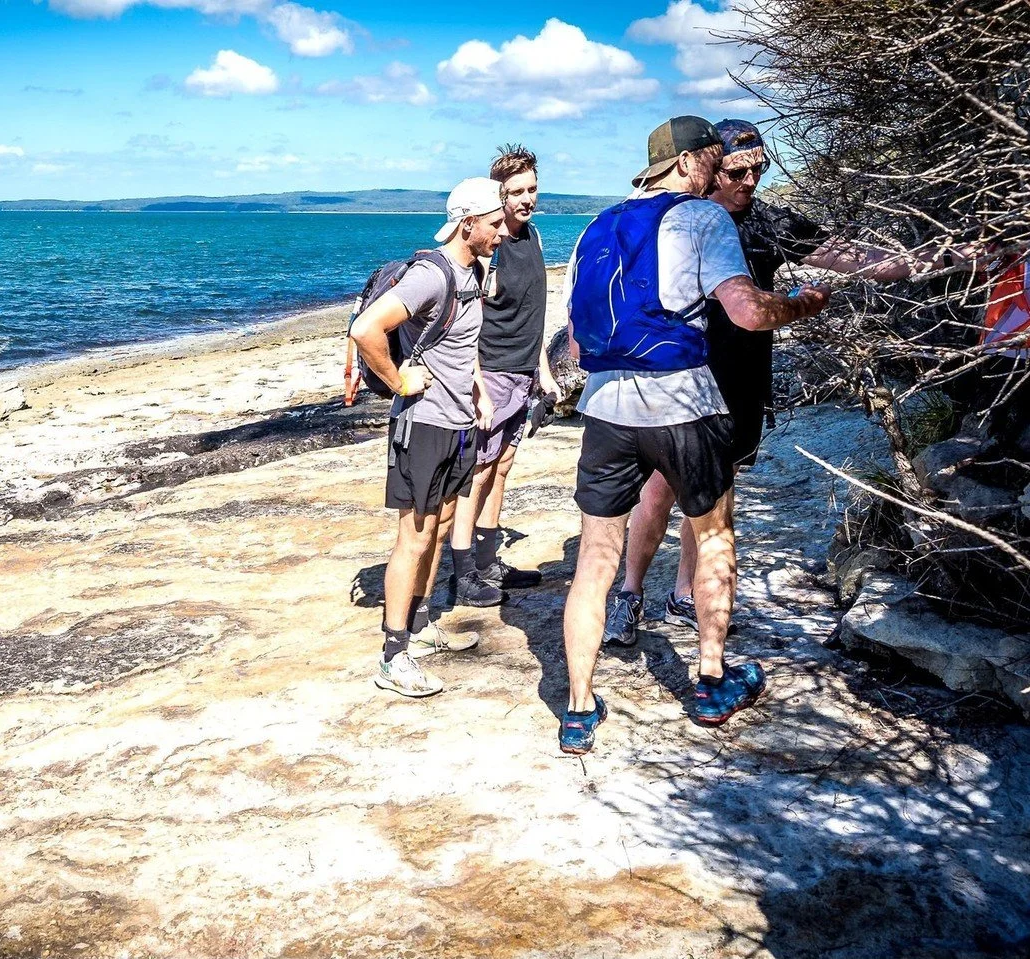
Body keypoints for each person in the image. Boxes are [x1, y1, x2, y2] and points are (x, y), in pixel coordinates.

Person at [603, 118, 984, 647]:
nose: (749, 180)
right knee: (661, 487)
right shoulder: (681, 220)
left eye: (759, 169)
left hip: (740, 379)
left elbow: (854, 259)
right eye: (738, 170)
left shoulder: (766, 221)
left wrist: (950, 258)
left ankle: (686, 595)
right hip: (681, 379)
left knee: (717, 491)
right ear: (709, 167)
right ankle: (630, 593)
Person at [557, 116, 830, 753]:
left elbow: (576, 340)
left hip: (605, 411)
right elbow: (748, 312)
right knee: (713, 539)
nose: (722, 176)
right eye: (714, 161)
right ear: (685, 163)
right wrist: (803, 304)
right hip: (684, 402)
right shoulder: (702, 219)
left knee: (594, 561)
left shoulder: (594, 228)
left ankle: (578, 709)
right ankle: (711, 681)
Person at [350, 177, 507, 697]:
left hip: (458, 423)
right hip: (424, 426)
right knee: (414, 536)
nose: (503, 231)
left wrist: (480, 389)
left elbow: (466, 342)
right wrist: (398, 380)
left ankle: (418, 627)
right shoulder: (431, 276)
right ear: (469, 224)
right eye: (495, 223)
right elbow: (367, 329)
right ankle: (393, 657)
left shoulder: (475, 271)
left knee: (438, 531)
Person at [446, 144, 560, 607]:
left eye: (532, 189)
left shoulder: (532, 238)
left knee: (504, 467)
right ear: (499, 195)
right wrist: (477, 389)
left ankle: (490, 560)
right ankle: (464, 572)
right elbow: (468, 323)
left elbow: (535, 311)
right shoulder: (488, 249)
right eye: (516, 192)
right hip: (490, 374)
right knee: (479, 470)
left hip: (523, 371)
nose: (526, 199)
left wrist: (543, 372)